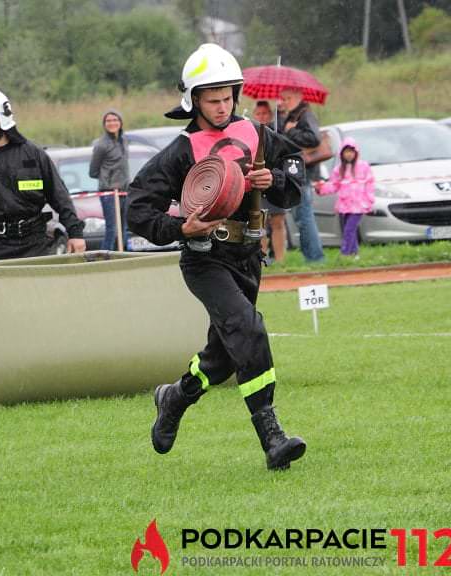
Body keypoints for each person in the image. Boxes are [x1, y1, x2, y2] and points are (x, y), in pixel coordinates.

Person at [127, 43, 307, 471]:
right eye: (212, 99)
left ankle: (174, 398)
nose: (223, 106)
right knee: (249, 328)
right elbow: (137, 207)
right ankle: (272, 437)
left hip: (249, 256)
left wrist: (277, 177)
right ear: (193, 100)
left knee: (225, 354)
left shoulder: (258, 134)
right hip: (204, 259)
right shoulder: (180, 150)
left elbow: (297, 172)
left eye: (228, 96)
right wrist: (178, 228)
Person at [0, 86, 86, 263]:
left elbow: (60, 196)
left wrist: (75, 233)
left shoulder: (33, 155)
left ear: (2, 119)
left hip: (34, 245)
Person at [279, 87, 324, 263]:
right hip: (296, 173)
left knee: (305, 217)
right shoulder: (292, 116)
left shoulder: (305, 115)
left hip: (303, 174)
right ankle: (311, 257)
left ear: (298, 97)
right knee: (301, 217)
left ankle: (315, 258)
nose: (283, 102)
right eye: (282, 98)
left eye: (287, 98)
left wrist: (291, 131)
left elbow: (314, 139)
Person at [315, 137, 374, 257]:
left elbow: (370, 184)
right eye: (346, 152)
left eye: (351, 151)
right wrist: (321, 188)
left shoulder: (363, 167)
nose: (349, 154)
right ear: (342, 154)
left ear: (356, 152)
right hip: (345, 206)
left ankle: (345, 253)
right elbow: (333, 185)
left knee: (349, 230)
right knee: (348, 230)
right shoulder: (338, 170)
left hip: (359, 205)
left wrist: (369, 201)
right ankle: (354, 253)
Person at [251, 100, 287, 263]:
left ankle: (280, 260)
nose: (262, 116)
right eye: (258, 113)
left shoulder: (278, 132)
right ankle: (262, 258)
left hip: (275, 182)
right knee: (260, 224)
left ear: (271, 115)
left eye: (265, 113)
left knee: (278, 221)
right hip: (257, 184)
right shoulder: (249, 132)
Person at [89, 109, 130, 251]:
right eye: (108, 121)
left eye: (115, 120)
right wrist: (109, 180)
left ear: (120, 122)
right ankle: (105, 259)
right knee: (112, 229)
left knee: (124, 228)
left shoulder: (124, 141)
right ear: (104, 124)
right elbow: (93, 171)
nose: (112, 123)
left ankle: (124, 256)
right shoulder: (101, 145)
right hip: (109, 193)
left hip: (124, 191)